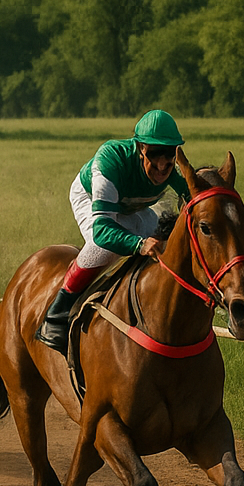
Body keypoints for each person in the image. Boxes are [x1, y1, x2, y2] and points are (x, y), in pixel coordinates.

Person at [35, 110, 188, 350]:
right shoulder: (110, 159)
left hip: (131, 207)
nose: (161, 164)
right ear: (140, 148)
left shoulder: (173, 172)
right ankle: (56, 315)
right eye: (154, 153)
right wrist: (139, 244)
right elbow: (102, 230)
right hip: (91, 200)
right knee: (104, 248)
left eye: (168, 154)